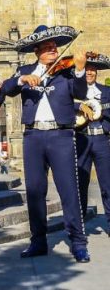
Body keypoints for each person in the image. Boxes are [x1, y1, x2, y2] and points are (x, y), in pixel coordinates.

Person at [0, 25, 90, 263]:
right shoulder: (26, 69)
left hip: (60, 135)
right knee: (35, 191)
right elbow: (7, 89)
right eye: (48, 48)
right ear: (37, 51)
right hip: (33, 137)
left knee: (68, 190)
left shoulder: (66, 72)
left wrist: (80, 69)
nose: (54, 51)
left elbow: (80, 91)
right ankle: (38, 241)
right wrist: (21, 79)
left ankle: (79, 242)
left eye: (55, 48)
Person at [74, 54, 110, 236]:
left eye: (92, 69)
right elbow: (64, 106)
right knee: (80, 183)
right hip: (82, 139)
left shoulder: (106, 91)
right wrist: (79, 107)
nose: (89, 72)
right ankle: (78, 226)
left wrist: (102, 113)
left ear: (96, 72)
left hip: (102, 139)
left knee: (107, 184)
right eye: (86, 69)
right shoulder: (74, 91)